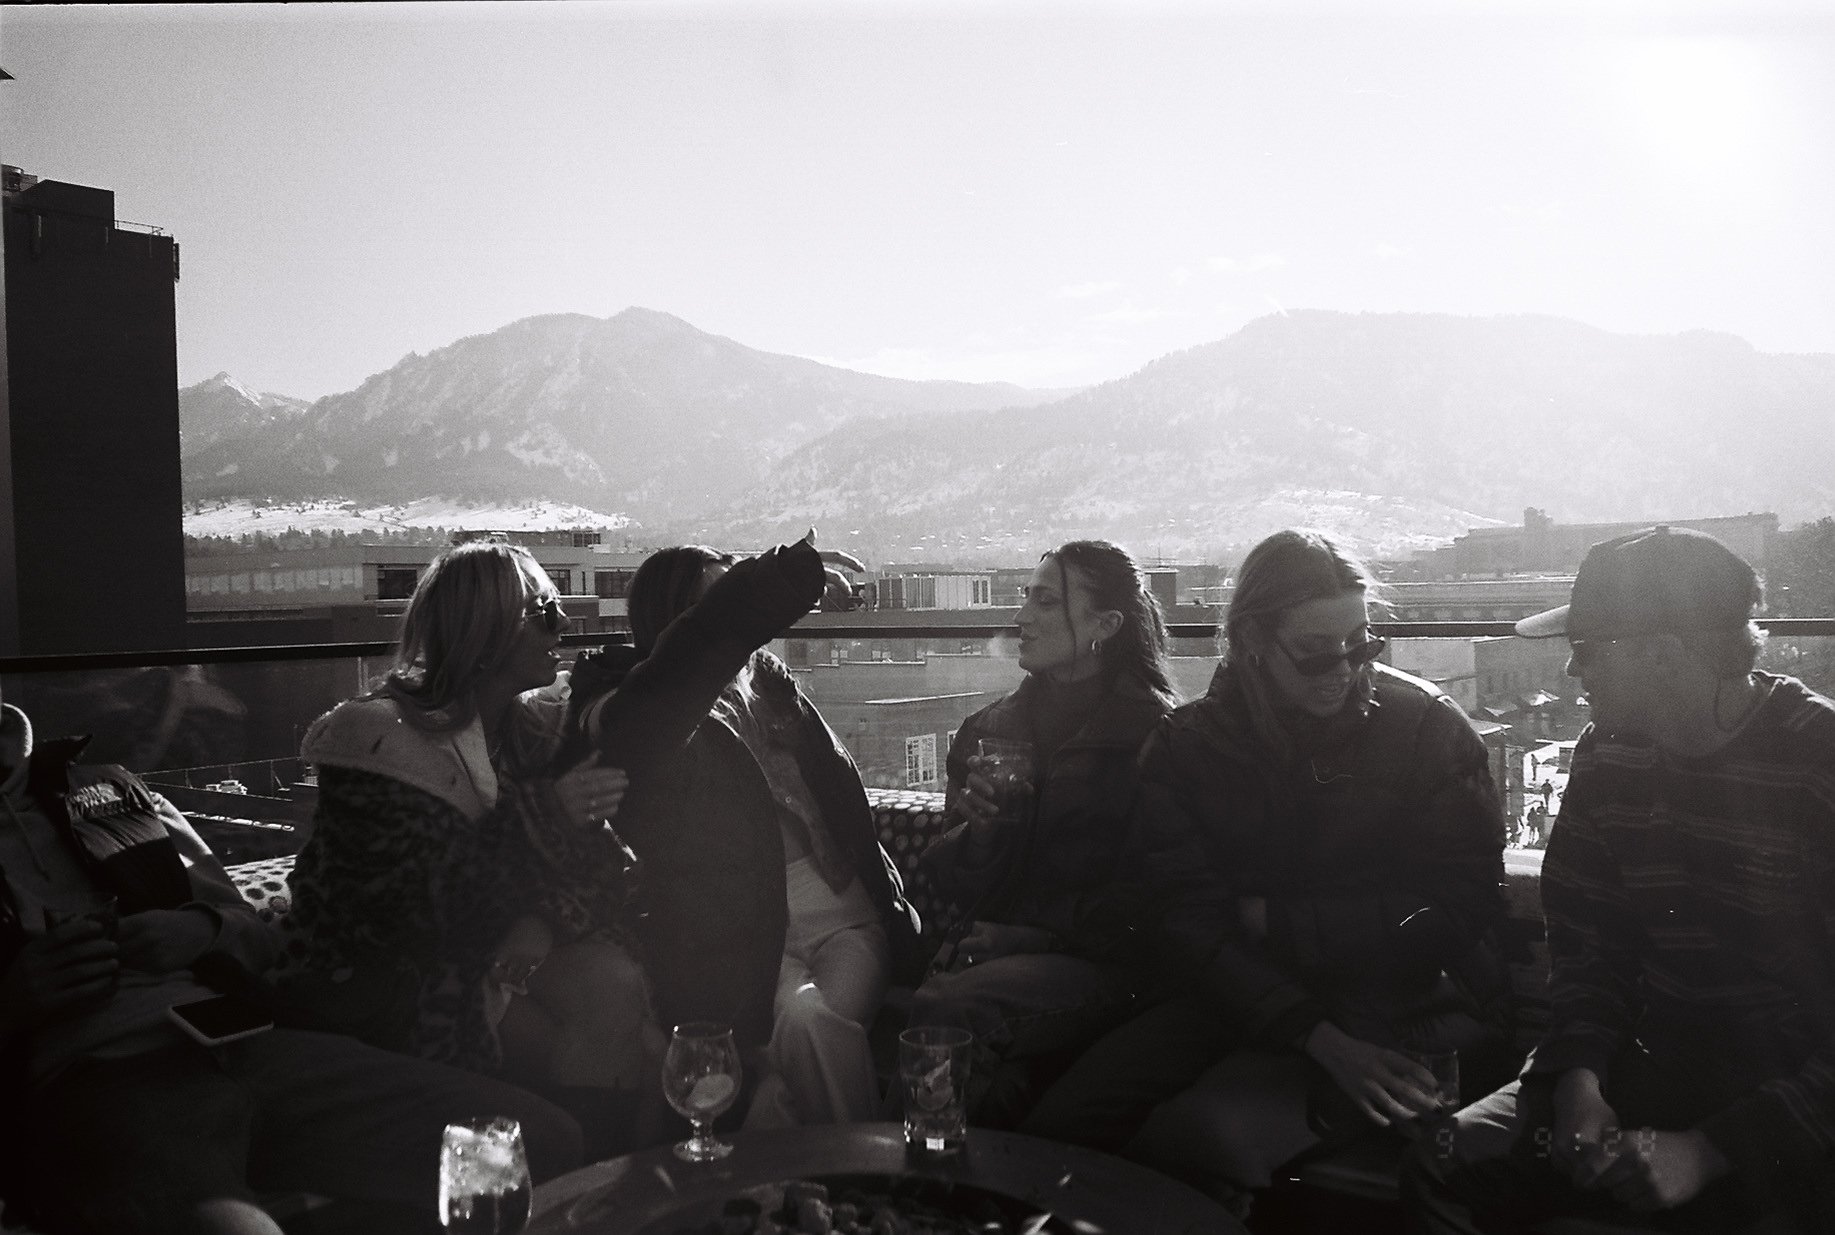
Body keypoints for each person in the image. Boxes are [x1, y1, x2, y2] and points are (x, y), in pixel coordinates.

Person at [1023, 528, 1511, 1213]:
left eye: (1360, 643)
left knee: (1206, 1136)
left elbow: (1458, 905)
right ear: (1251, 638)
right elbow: (1185, 920)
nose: (1344, 669)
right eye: (1315, 651)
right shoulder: (1186, 746)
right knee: (1060, 1127)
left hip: (1408, 999)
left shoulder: (1425, 728)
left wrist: (1276, 922)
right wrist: (1313, 1032)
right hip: (1244, 995)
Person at [0, 680, 582, 1235]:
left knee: (535, 1143)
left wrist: (198, 929)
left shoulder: (109, 792)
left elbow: (255, 934)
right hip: (105, 1080)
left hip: (251, 1046)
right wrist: (14, 997)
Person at [1403, 526, 1835, 1234]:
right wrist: (1577, 1077)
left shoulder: (1818, 765)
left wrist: (1710, 1152)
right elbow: (1587, 947)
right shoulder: (1607, 754)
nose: (1574, 670)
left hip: (1789, 1094)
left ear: (1662, 654)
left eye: (1587, 648)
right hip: (1642, 1062)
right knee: (1441, 1161)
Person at [565, 543, 921, 1129]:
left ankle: (771, 1169)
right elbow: (644, 722)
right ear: (681, 620)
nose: (742, 615)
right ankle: (860, 1171)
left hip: (845, 916)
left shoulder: (769, 686)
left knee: (797, 1048)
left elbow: (839, 798)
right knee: (805, 1030)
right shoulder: (632, 704)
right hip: (752, 938)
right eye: (722, 600)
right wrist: (778, 581)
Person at [273, 540, 641, 1093]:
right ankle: (564, 1140)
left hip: (478, 954)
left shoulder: (529, 733)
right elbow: (420, 906)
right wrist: (548, 814)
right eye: (544, 611)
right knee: (615, 1019)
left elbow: (608, 871)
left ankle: (586, 1137)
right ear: (487, 633)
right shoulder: (378, 740)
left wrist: (540, 922)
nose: (564, 623)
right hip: (388, 981)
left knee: (621, 989)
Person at [909, 539, 1179, 1128]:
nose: (1022, 617)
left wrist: (1033, 939)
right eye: (1025, 597)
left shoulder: (1158, 739)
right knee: (997, 1082)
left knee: (949, 1007)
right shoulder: (988, 730)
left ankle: (914, 1167)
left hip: (1108, 963)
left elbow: (1155, 900)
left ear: (1105, 625)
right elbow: (952, 887)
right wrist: (978, 836)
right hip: (1003, 958)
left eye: (1046, 602)